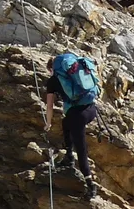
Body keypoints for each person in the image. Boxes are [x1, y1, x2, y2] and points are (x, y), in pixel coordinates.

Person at [43, 49, 102, 200]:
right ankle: (68, 156)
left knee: (81, 151)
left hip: (78, 116)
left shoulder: (53, 81)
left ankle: (91, 187)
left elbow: (49, 107)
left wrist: (48, 123)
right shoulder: (75, 71)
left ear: (51, 69)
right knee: (65, 123)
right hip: (91, 110)